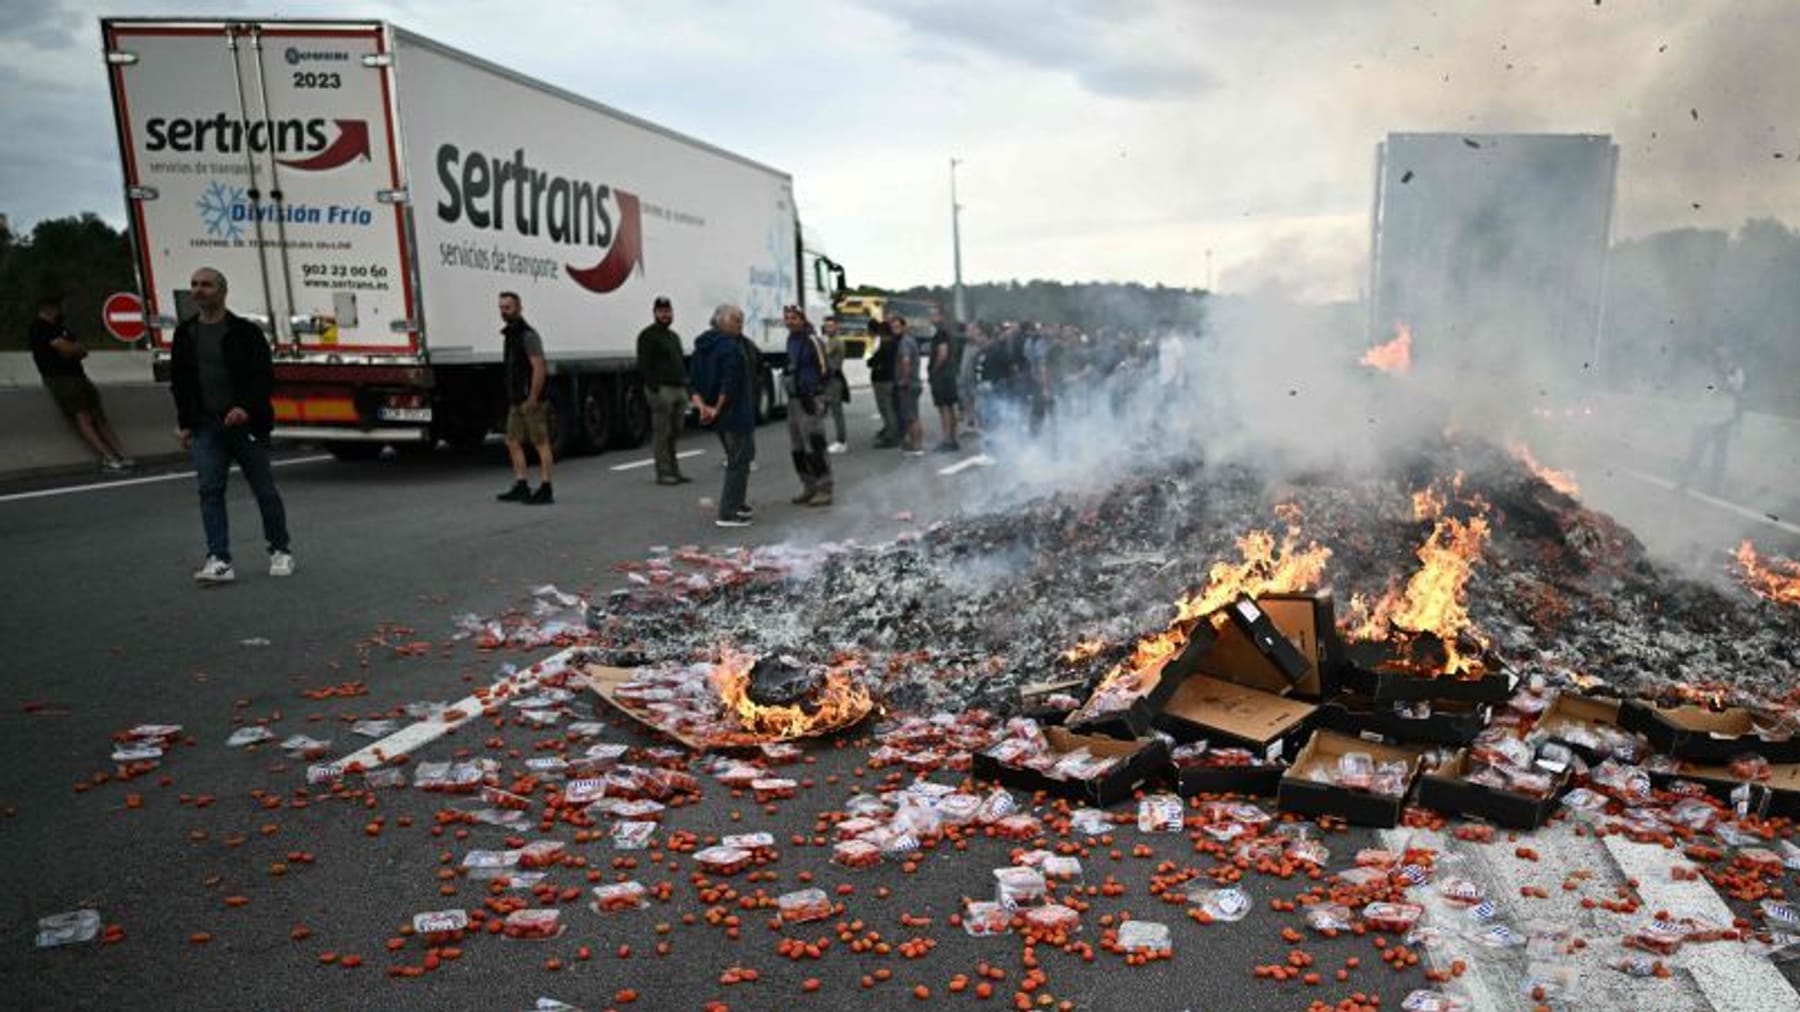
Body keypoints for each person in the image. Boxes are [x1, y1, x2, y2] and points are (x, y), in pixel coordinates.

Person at [169, 268, 291, 585]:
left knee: (263, 489)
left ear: (222, 291)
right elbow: (180, 382)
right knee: (210, 490)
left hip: (244, 424)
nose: (198, 290)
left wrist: (245, 408)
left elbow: (263, 376)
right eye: (194, 285)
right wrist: (185, 422)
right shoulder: (185, 334)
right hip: (206, 425)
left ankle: (280, 549)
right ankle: (219, 559)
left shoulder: (244, 332)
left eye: (206, 285)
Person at [29, 294, 134, 472]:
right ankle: (107, 456)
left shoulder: (61, 328)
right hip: (60, 377)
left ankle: (121, 453)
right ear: (48, 308)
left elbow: (80, 350)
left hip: (78, 375)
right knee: (82, 416)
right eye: (56, 307)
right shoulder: (39, 327)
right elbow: (65, 347)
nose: (59, 310)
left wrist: (73, 349)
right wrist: (72, 349)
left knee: (98, 415)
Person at [690, 304, 756, 527]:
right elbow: (729, 384)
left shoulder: (703, 346)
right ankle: (729, 512)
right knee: (739, 460)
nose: (740, 325)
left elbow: (693, 382)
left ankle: (737, 503)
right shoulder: (730, 348)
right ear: (722, 321)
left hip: (718, 413)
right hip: (735, 412)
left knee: (740, 457)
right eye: (736, 320)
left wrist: (703, 408)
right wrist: (717, 407)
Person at [494, 291, 554, 505]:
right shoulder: (510, 335)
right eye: (501, 308)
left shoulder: (527, 335)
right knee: (511, 440)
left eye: (508, 307)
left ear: (518, 308)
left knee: (540, 442)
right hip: (516, 399)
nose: (504, 312)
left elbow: (538, 367)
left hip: (531, 400)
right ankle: (522, 484)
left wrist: (533, 397)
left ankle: (546, 488)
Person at [782, 306, 834, 506]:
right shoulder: (791, 340)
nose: (790, 321)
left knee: (815, 443)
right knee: (798, 447)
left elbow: (825, 370)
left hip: (810, 398)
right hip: (794, 399)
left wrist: (817, 394)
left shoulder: (812, 340)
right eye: (787, 318)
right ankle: (808, 485)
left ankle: (824, 487)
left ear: (802, 319)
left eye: (794, 318)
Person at [636, 295, 691, 485]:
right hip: (661, 390)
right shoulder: (648, 335)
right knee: (662, 432)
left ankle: (675, 469)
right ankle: (664, 472)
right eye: (661, 312)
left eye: (668, 311)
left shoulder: (673, 337)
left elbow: (680, 362)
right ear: (655, 313)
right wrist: (654, 388)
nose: (665, 315)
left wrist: (686, 386)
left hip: (678, 389)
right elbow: (644, 364)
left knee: (676, 430)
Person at [1679, 344, 1747, 494]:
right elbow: (1707, 389)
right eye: (1717, 357)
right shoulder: (1710, 372)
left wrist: (1722, 384)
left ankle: (1715, 486)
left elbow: (1737, 392)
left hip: (1724, 418)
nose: (1719, 360)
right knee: (1696, 450)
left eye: (1722, 357)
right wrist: (1714, 386)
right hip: (1705, 416)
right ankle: (1685, 480)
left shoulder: (1735, 372)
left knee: (1719, 453)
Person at [928, 310, 960, 452]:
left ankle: (947, 440)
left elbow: (942, 352)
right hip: (950, 374)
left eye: (934, 315)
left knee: (944, 408)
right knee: (949, 407)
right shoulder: (948, 332)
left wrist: (934, 370)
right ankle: (952, 439)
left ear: (941, 316)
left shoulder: (941, 333)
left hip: (942, 376)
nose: (931, 318)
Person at [892, 315, 925, 456]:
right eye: (893, 327)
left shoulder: (904, 342)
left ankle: (916, 446)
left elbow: (906, 362)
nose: (895, 330)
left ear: (904, 327)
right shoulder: (910, 341)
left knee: (912, 417)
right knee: (912, 416)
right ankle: (914, 444)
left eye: (898, 327)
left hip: (909, 384)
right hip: (914, 382)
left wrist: (904, 380)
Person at [867, 317, 899, 448]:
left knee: (886, 408)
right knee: (887, 408)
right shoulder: (891, 344)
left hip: (883, 380)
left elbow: (873, 361)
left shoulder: (886, 345)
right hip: (886, 379)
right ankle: (890, 431)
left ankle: (891, 436)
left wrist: (873, 362)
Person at [820, 314, 850, 453]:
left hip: (834, 379)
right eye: (826, 326)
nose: (828, 328)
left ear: (836, 327)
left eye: (831, 326)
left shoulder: (835, 341)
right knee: (825, 410)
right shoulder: (830, 340)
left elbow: (823, 355)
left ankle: (841, 441)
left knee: (836, 412)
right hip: (830, 379)